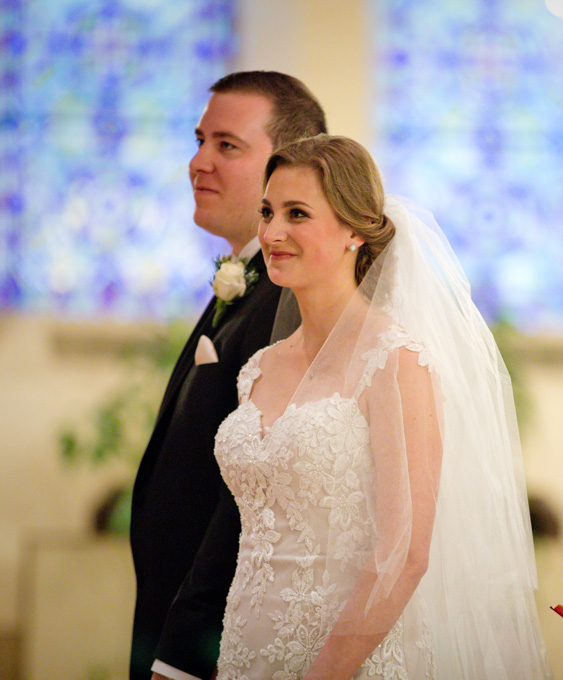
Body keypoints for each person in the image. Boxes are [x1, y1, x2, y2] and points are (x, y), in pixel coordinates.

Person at [212, 134, 551, 679]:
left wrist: (324, 674)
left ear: (354, 229)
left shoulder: (394, 360)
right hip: (245, 647)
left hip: (349, 657)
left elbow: (406, 554)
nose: (272, 233)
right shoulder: (260, 367)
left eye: (297, 214)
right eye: (267, 211)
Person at [129, 71, 327, 680]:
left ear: (287, 166)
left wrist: (185, 655)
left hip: (212, 647)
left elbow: (252, 501)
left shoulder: (285, 306)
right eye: (198, 140)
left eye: (226, 145)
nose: (198, 162)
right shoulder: (244, 285)